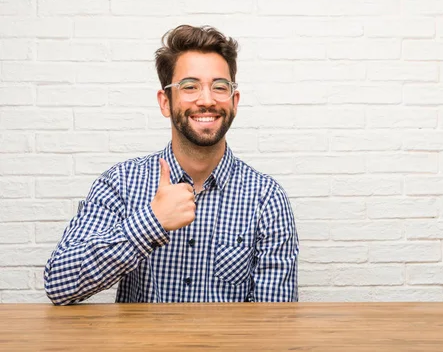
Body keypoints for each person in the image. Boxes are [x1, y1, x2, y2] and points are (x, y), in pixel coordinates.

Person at [44, 25, 299, 305]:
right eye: (189, 86)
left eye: (220, 87)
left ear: (234, 101)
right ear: (165, 102)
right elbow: (59, 285)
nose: (207, 99)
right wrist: (151, 222)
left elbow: (274, 318)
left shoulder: (267, 198)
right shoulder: (120, 183)